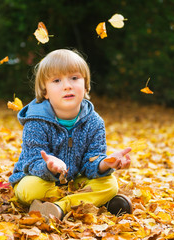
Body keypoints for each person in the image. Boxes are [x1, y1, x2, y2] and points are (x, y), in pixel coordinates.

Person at [9, 48, 132, 220]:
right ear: (45, 91)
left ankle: (59, 207)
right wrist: (49, 166)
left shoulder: (94, 122)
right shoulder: (36, 121)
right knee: (31, 188)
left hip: (75, 180)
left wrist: (105, 162)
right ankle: (91, 202)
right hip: (42, 180)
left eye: (74, 78)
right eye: (57, 80)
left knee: (110, 184)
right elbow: (31, 162)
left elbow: (92, 160)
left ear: (86, 84)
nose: (67, 85)